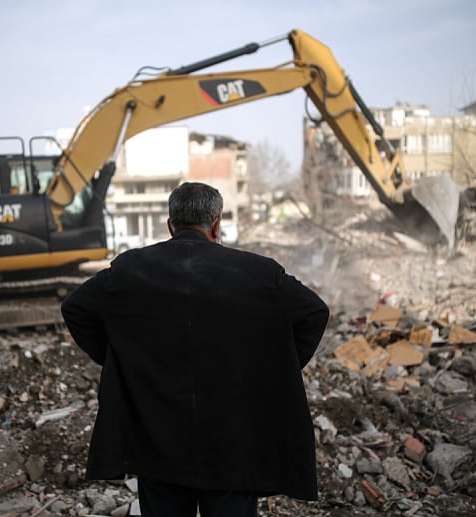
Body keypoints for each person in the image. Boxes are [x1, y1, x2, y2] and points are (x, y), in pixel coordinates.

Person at [61, 182, 330, 516]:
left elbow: (75, 309)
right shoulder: (259, 272)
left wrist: (123, 360)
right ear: (216, 224)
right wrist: (271, 366)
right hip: (233, 442)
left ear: (171, 225)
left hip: (156, 440)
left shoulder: (130, 269)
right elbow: (315, 314)